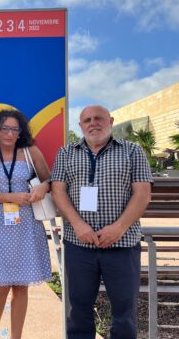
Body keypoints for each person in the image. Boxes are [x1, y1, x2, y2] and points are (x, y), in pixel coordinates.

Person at [51, 105, 152, 339]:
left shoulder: (132, 151)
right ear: (80, 125)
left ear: (111, 121)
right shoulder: (66, 153)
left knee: (124, 313)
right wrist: (78, 225)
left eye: (98, 118)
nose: (92, 123)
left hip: (122, 245)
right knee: (79, 311)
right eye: (87, 120)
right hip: (79, 246)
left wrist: (118, 228)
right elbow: (58, 191)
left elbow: (143, 194)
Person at [0, 110, 52, 339]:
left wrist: (43, 187)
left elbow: (49, 179)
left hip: (27, 225)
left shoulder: (31, 152)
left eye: (15, 129)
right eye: (5, 128)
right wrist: (10, 198)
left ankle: (16, 337)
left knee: (21, 286)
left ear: (21, 132)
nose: (10, 133)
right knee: (0, 285)